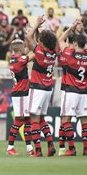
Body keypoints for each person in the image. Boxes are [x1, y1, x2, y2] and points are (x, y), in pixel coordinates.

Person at [58, 21, 87, 156]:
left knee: (66, 120)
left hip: (71, 91)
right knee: (85, 120)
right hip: (83, 92)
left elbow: (60, 40)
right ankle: (86, 149)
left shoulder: (69, 54)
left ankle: (71, 149)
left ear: (74, 44)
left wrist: (71, 28)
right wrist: (83, 32)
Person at [24, 16, 57, 157]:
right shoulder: (52, 53)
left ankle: (37, 150)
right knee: (41, 119)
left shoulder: (39, 52)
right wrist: (39, 30)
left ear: (42, 43)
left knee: (34, 120)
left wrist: (36, 25)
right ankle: (50, 144)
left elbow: (28, 38)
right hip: (48, 89)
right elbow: (36, 41)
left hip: (37, 88)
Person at [6, 42, 33, 156]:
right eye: (23, 47)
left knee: (27, 120)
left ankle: (29, 147)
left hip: (22, 92)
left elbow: (29, 53)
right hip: (20, 93)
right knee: (19, 120)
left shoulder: (13, 58)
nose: (25, 49)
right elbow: (35, 54)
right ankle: (10, 147)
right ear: (20, 49)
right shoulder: (20, 59)